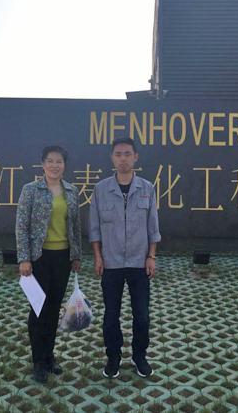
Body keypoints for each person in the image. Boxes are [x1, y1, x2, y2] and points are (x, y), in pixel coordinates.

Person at [89, 136, 161, 378]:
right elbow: (95, 228)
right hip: (111, 262)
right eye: (118, 154)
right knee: (111, 315)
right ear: (112, 158)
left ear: (136, 157)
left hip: (139, 262)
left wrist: (151, 256)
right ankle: (113, 356)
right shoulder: (101, 189)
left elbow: (153, 227)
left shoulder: (147, 188)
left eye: (128, 154)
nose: (123, 159)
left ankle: (140, 356)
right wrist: (97, 256)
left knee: (142, 315)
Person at [16, 145, 82, 384]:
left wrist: (76, 256)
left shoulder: (71, 191)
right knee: (38, 310)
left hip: (62, 258)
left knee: (53, 309)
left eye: (59, 161)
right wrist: (24, 258)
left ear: (65, 165)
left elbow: (75, 226)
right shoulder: (31, 190)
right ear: (43, 164)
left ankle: (49, 356)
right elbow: (21, 226)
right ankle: (38, 361)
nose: (55, 165)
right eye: (50, 161)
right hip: (39, 258)